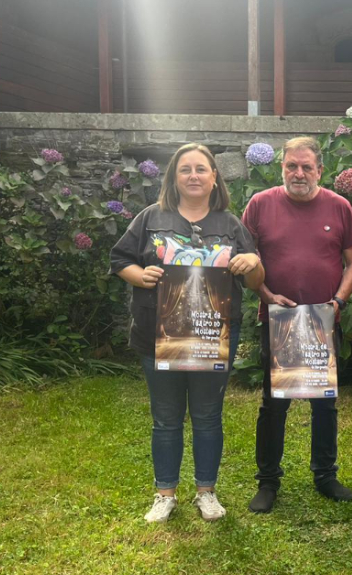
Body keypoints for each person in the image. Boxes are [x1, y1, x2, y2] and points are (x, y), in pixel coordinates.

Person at [110, 143, 265, 523]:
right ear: (174, 178)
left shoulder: (231, 225)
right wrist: (139, 275)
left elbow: (257, 280)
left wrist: (254, 261)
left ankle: (206, 492)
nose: (193, 175)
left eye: (201, 169)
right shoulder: (150, 217)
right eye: (185, 169)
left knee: (208, 416)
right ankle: (165, 493)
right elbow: (120, 260)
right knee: (165, 418)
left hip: (213, 338)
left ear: (215, 178)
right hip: (158, 337)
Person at [242, 136, 352, 513]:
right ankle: (267, 482)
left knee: (324, 403)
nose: (298, 173)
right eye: (291, 166)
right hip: (278, 319)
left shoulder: (339, 207)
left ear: (320, 171)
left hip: (323, 320)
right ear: (282, 168)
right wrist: (264, 293)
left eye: (306, 166)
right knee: (274, 403)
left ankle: (325, 475)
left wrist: (339, 301)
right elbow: (243, 259)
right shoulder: (260, 205)